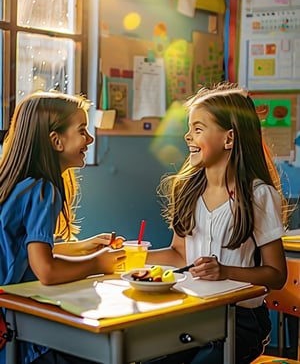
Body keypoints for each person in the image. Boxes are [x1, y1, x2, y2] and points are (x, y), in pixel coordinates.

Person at [146, 82, 288, 364]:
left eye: (198, 129)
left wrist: (224, 271)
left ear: (229, 139)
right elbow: (178, 254)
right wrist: (127, 259)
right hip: (194, 312)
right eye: (189, 128)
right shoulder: (186, 190)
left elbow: (276, 275)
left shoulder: (258, 196)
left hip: (241, 321)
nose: (188, 136)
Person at [0, 90, 126, 364]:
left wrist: (83, 246)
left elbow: (24, 251)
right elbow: (45, 270)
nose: (90, 139)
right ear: (56, 141)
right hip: (16, 325)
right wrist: (98, 264)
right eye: (82, 131)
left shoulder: (15, 184)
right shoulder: (43, 190)